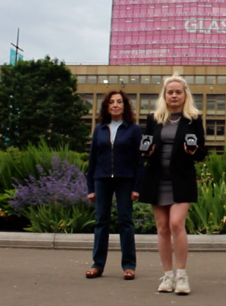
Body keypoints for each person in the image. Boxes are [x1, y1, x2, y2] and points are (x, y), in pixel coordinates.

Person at [139, 74, 206, 295]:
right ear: (164, 95)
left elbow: (202, 153)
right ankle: (167, 276)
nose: (174, 95)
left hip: (181, 179)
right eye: (170, 92)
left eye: (178, 92)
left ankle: (182, 275)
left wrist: (194, 151)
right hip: (157, 179)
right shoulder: (154, 118)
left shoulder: (193, 119)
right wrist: (146, 151)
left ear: (185, 94)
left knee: (177, 224)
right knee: (162, 228)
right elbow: (146, 146)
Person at [85, 90, 144, 280]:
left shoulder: (133, 129)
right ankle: (97, 265)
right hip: (101, 179)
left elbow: (138, 160)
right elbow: (92, 160)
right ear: (107, 106)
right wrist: (90, 188)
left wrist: (137, 186)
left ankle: (129, 265)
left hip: (125, 178)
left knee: (125, 222)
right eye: (112, 102)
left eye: (119, 102)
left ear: (125, 106)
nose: (115, 105)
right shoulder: (99, 129)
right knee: (101, 222)